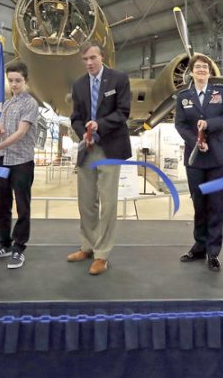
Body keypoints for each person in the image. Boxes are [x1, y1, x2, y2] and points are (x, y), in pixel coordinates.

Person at [68, 41, 131, 275]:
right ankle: (88, 246)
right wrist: (83, 130)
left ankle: (102, 254)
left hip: (111, 147)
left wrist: (99, 125)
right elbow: (75, 117)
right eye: (85, 60)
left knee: (108, 203)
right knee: (86, 202)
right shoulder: (78, 85)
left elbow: (123, 112)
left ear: (102, 57)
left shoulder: (118, 79)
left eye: (92, 58)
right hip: (87, 148)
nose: (89, 63)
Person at [175, 54, 223, 272]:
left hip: (219, 156)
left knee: (216, 204)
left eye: (205, 67)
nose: (201, 70)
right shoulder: (183, 97)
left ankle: (213, 252)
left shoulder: (222, 92)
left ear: (209, 72)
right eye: (198, 67)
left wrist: (208, 124)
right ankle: (199, 246)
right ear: (191, 72)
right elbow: (180, 125)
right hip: (195, 157)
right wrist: (196, 141)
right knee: (199, 203)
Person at [0, 61, 38, 269]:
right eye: (11, 80)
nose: (14, 84)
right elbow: (3, 131)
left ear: (25, 80)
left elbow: (21, 133)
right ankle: (3, 243)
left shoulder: (30, 104)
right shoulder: (7, 104)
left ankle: (18, 248)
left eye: (18, 81)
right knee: (3, 204)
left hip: (22, 162)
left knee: (23, 206)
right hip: (4, 160)